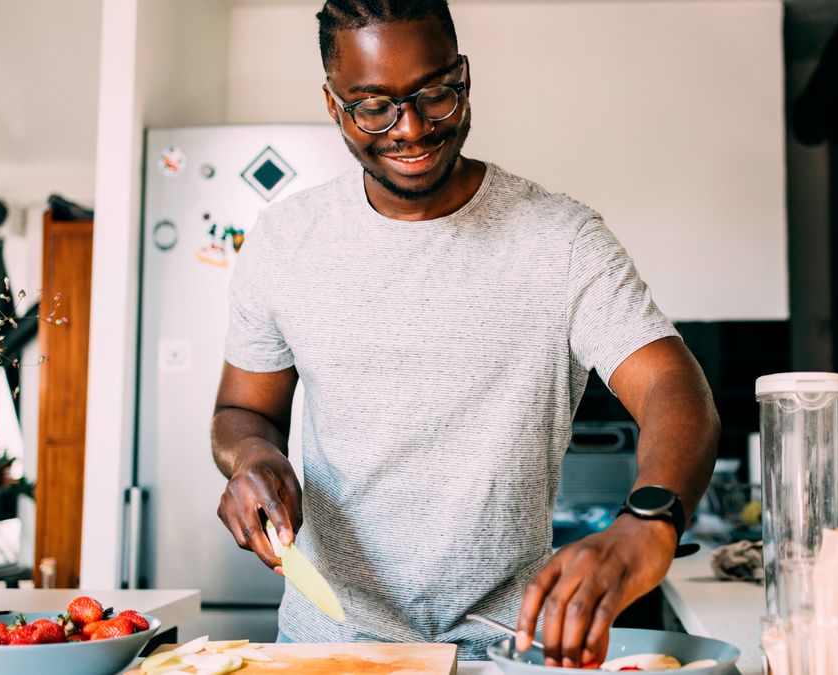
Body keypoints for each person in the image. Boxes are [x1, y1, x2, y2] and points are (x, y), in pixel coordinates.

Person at [211, 0, 720, 667]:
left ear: (465, 77)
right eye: (374, 106)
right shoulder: (285, 242)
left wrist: (648, 521)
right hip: (327, 650)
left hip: (503, 652)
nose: (412, 129)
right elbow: (243, 409)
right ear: (334, 105)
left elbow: (674, 389)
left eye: (436, 94)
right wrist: (254, 461)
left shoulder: (560, 240)